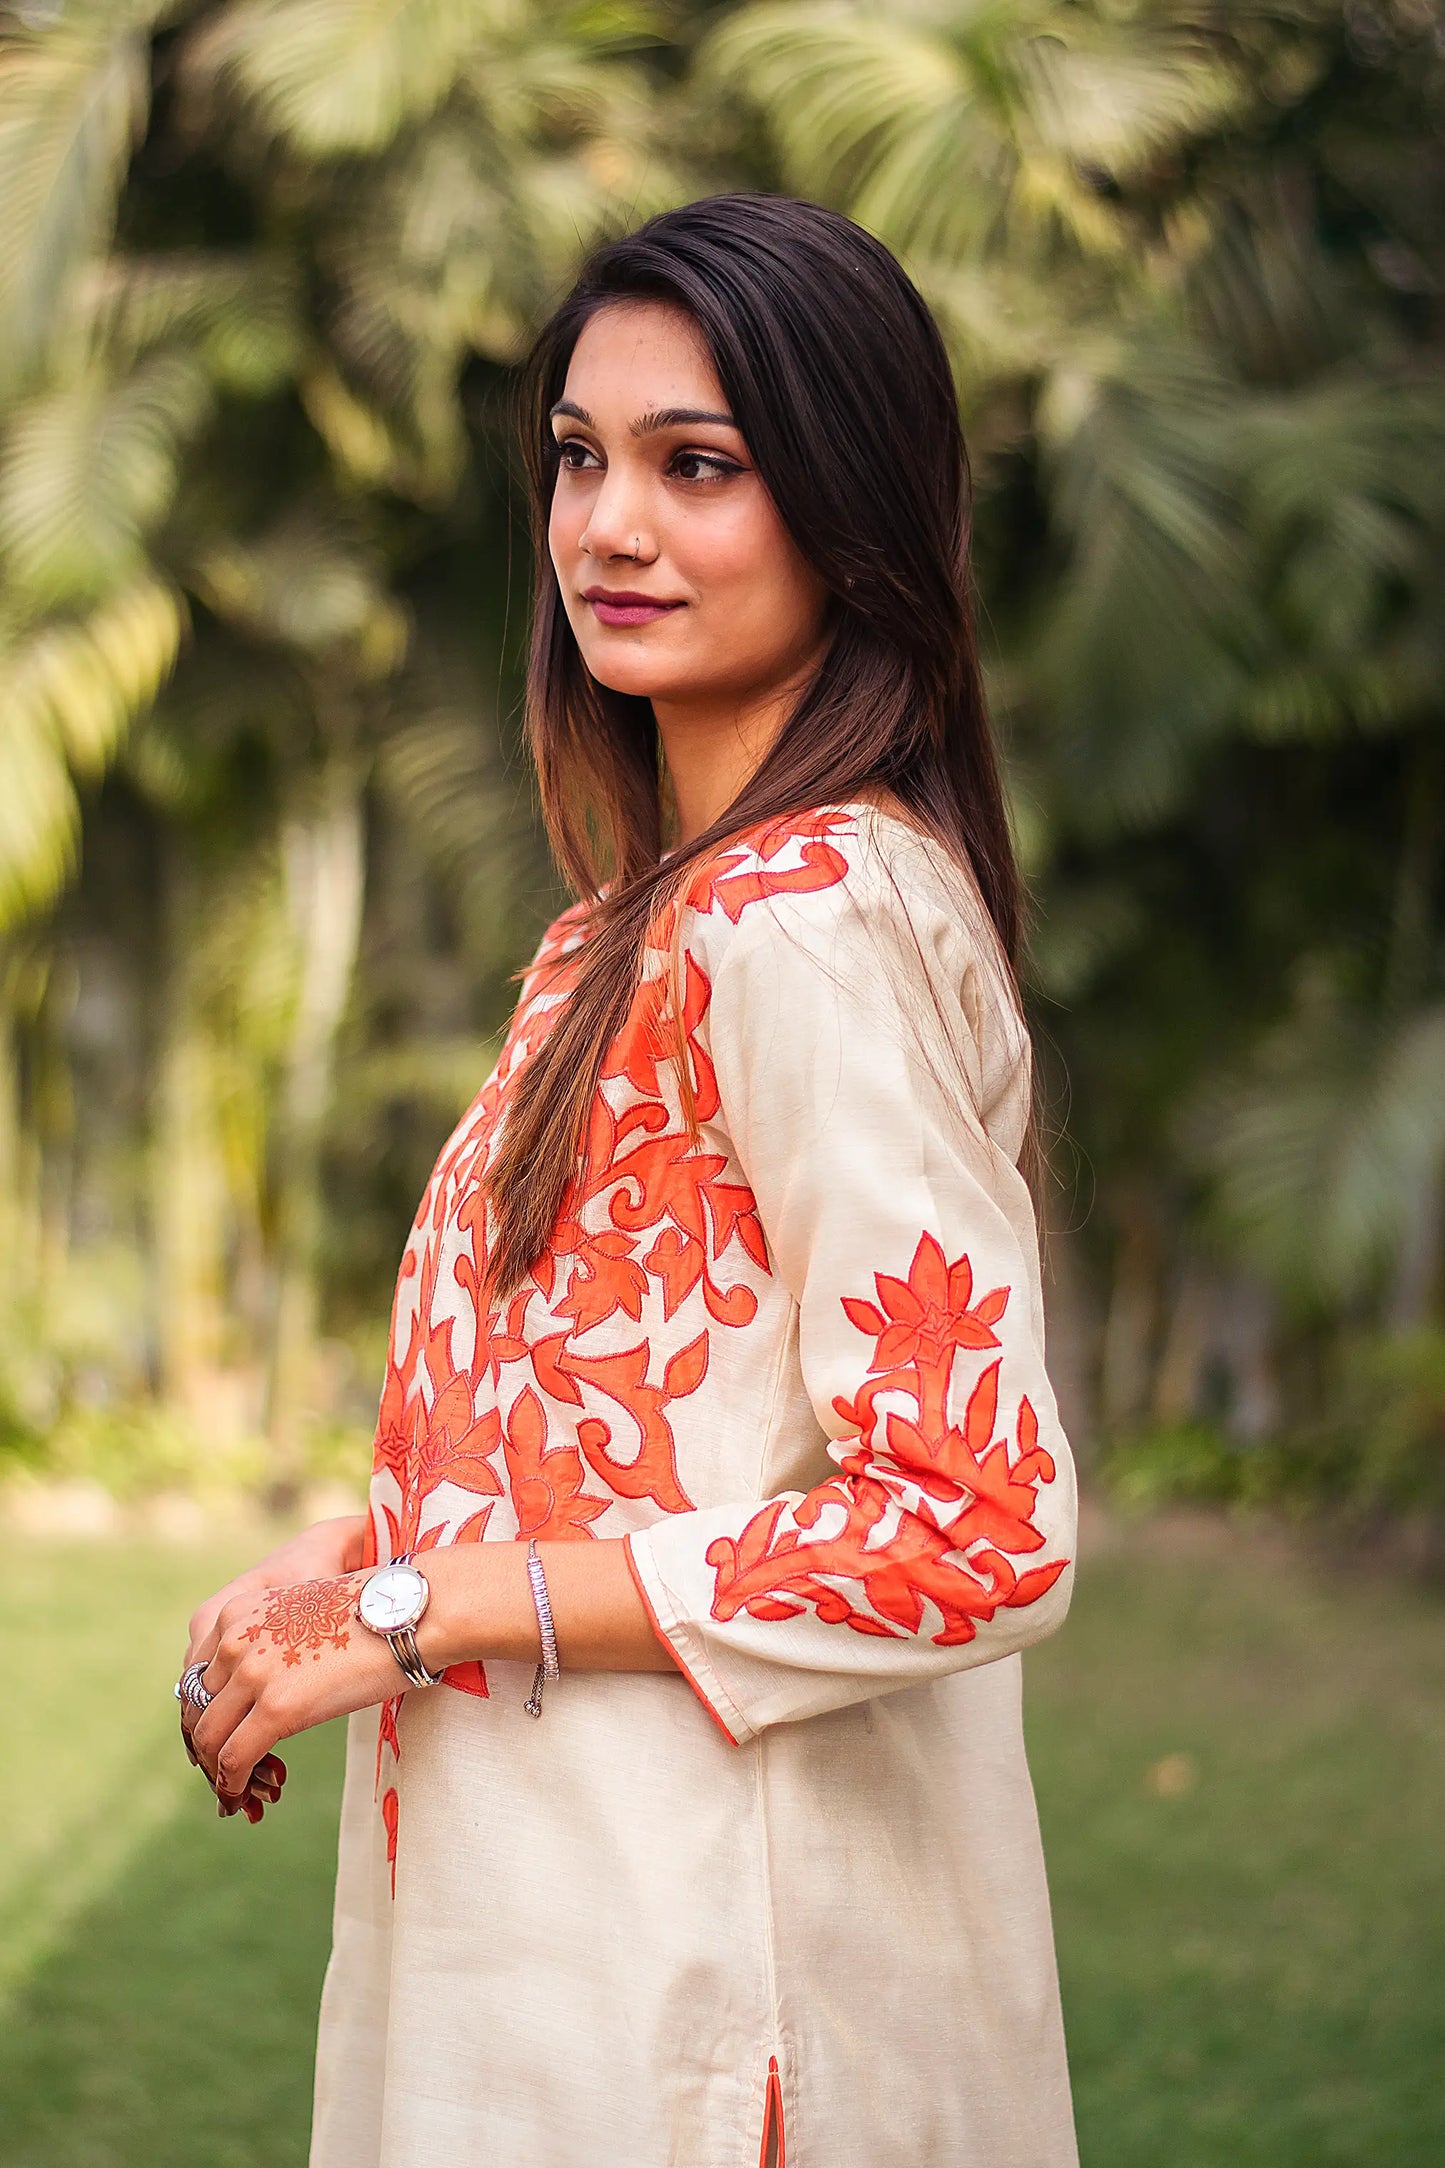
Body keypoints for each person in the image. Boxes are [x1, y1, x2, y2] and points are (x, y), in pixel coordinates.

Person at [177, 193, 1079, 2168]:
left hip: (712, 1993)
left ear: (848, 505)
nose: (608, 523)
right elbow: (663, 1443)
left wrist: (430, 1598)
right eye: (580, 458)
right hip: (555, 1937)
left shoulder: (807, 917)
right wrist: (359, 1562)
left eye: (702, 466)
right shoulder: (630, 929)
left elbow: (976, 1517)